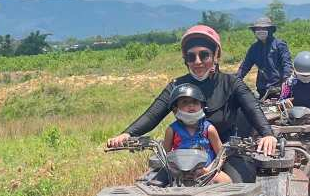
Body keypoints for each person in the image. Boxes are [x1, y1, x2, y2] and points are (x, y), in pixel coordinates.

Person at [107, 24, 278, 181]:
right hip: (185, 155)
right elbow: (153, 114)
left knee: (237, 187)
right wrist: (128, 134)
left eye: (204, 55)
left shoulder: (231, 83)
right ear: (185, 59)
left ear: (215, 55)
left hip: (228, 151)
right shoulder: (177, 86)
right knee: (151, 186)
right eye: (191, 56)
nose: (198, 62)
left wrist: (267, 134)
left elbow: (252, 108)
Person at [162, 82, 230, 183]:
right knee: (155, 182)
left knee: (226, 181)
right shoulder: (172, 130)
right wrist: (174, 170)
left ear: (202, 106)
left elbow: (221, 154)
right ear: (175, 110)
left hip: (205, 171)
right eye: (185, 102)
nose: (191, 105)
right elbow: (164, 155)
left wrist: (210, 170)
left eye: (195, 102)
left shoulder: (209, 129)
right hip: (179, 172)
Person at [237, 16, 292, 97]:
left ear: (270, 30)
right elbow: (245, 67)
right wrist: (235, 80)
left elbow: (287, 64)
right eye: (258, 29)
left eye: (264, 29)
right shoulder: (254, 48)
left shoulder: (280, 45)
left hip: (278, 88)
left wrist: (286, 81)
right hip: (261, 88)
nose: (260, 31)